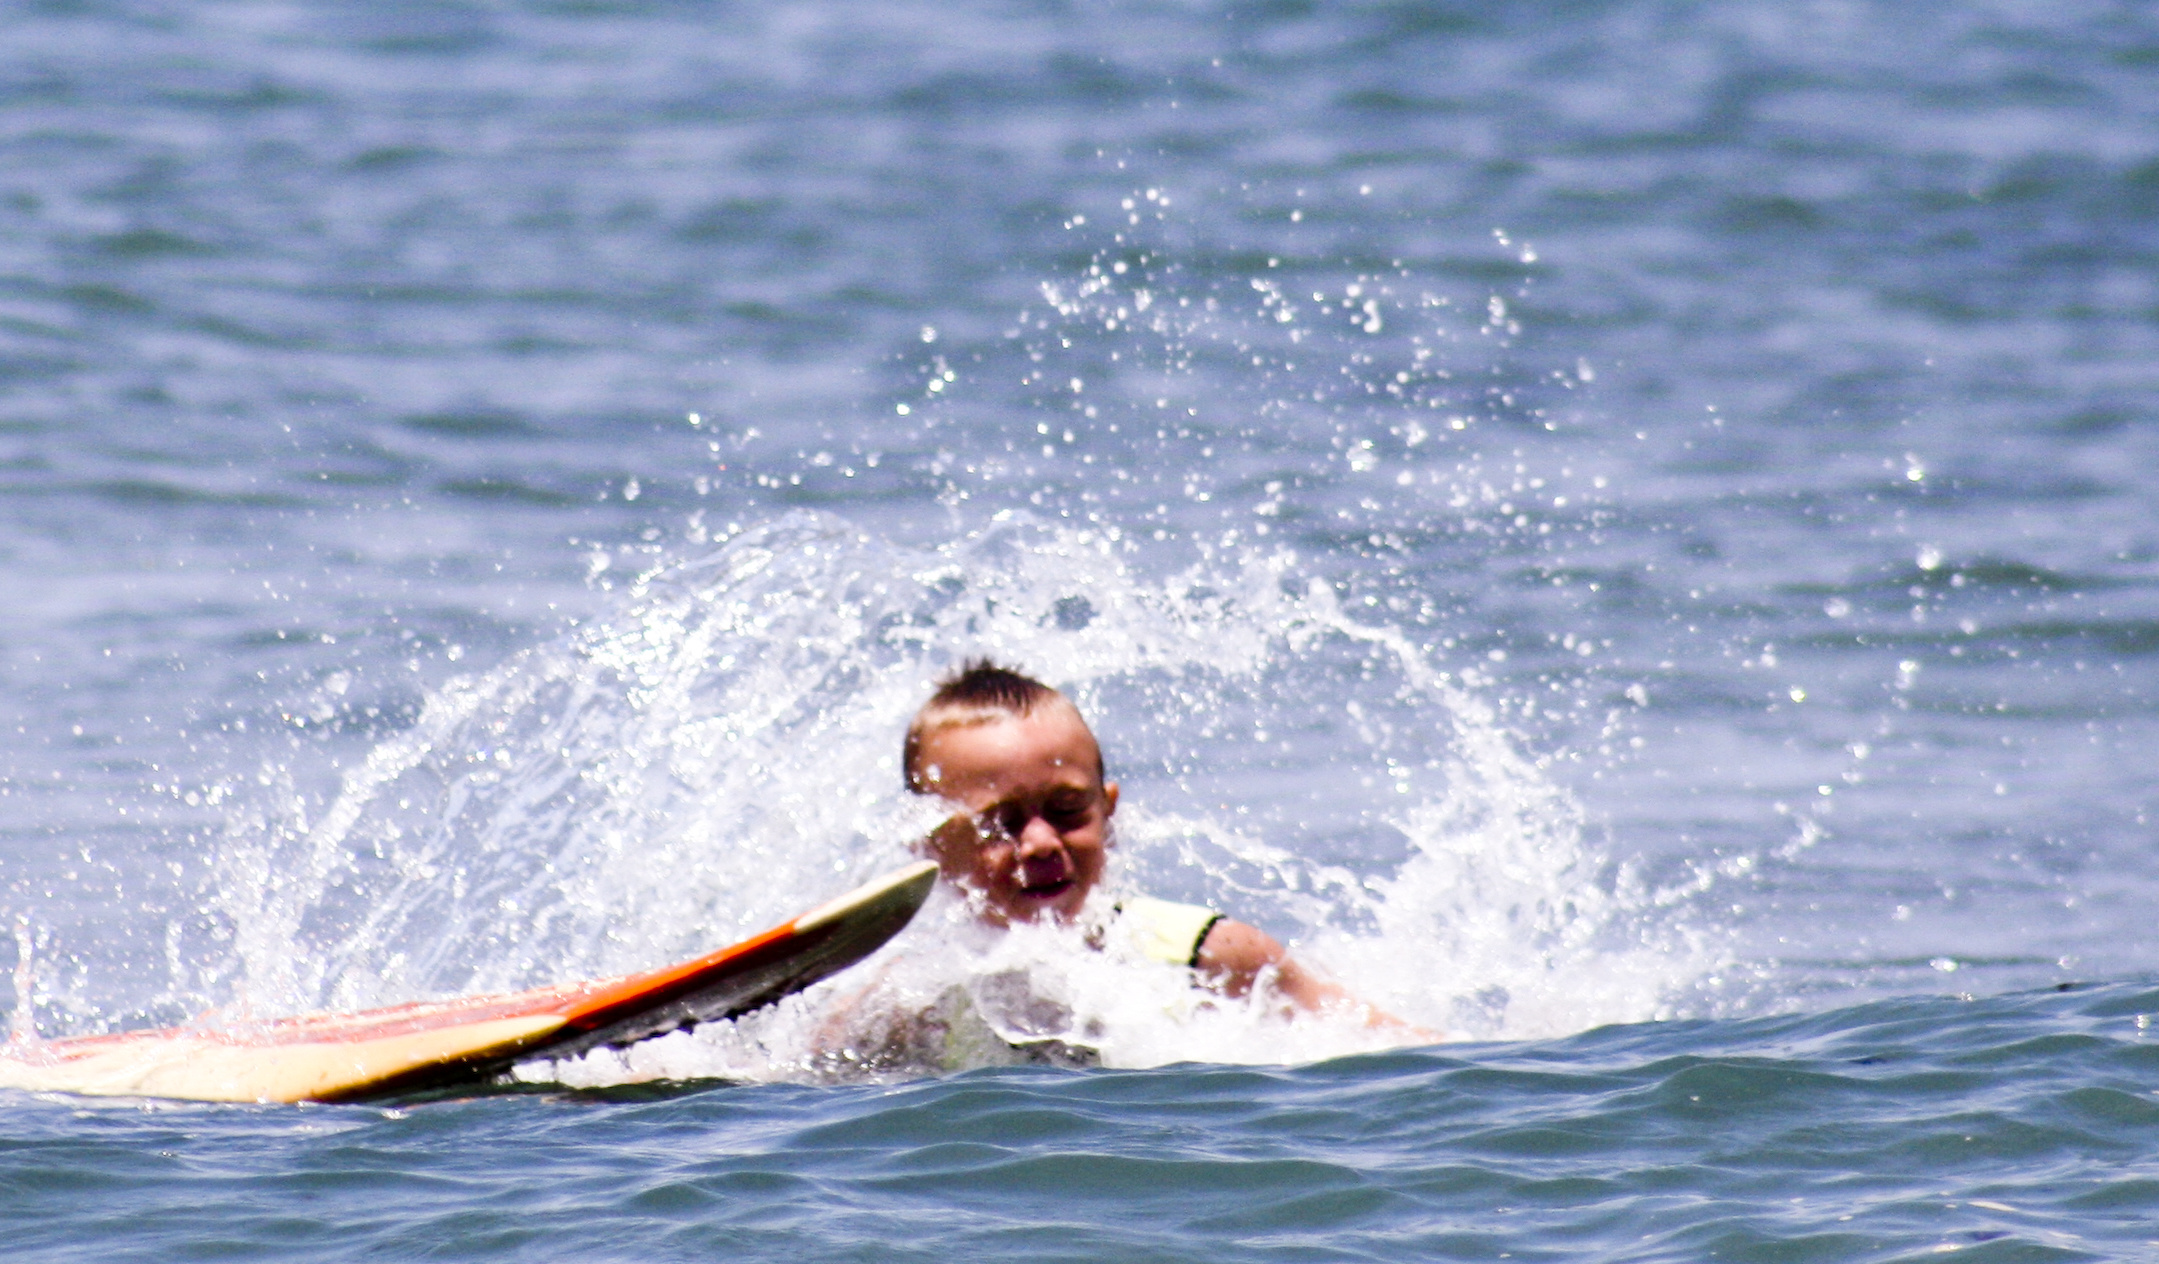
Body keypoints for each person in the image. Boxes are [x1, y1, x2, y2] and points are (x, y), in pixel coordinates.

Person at [901, 658, 1429, 1035]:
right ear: (932, 846)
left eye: (1067, 811)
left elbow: (1390, 1050)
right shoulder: (912, 1002)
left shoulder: (1205, 958)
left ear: (1107, 813)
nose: (1040, 842)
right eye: (999, 825)